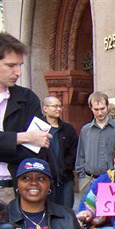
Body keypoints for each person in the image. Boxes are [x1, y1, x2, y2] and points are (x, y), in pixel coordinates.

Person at [0, 33, 52, 204]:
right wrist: (25, 138)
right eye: (11, 65)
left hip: (17, 190)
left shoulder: (27, 98)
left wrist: (6, 144)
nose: (18, 72)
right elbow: (32, 142)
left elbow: (37, 150)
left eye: (20, 65)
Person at [75, 91, 115, 196]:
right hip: (89, 181)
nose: (100, 113)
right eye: (96, 109)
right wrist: (82, 177)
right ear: (91, 108)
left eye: (102, 108)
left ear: (107, 106)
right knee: (88, 212)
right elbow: (80, 155)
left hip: (114, 181)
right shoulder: (86, 130)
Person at [42, 95, 78, 208]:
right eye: (55, 106)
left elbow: (74, 151)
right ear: (45, 108)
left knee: (66, 212)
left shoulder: (68, 129)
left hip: (66, 178)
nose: (58, 109)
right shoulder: (37, 129)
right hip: (45, 179)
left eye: (60, 106)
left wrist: (64, 167)